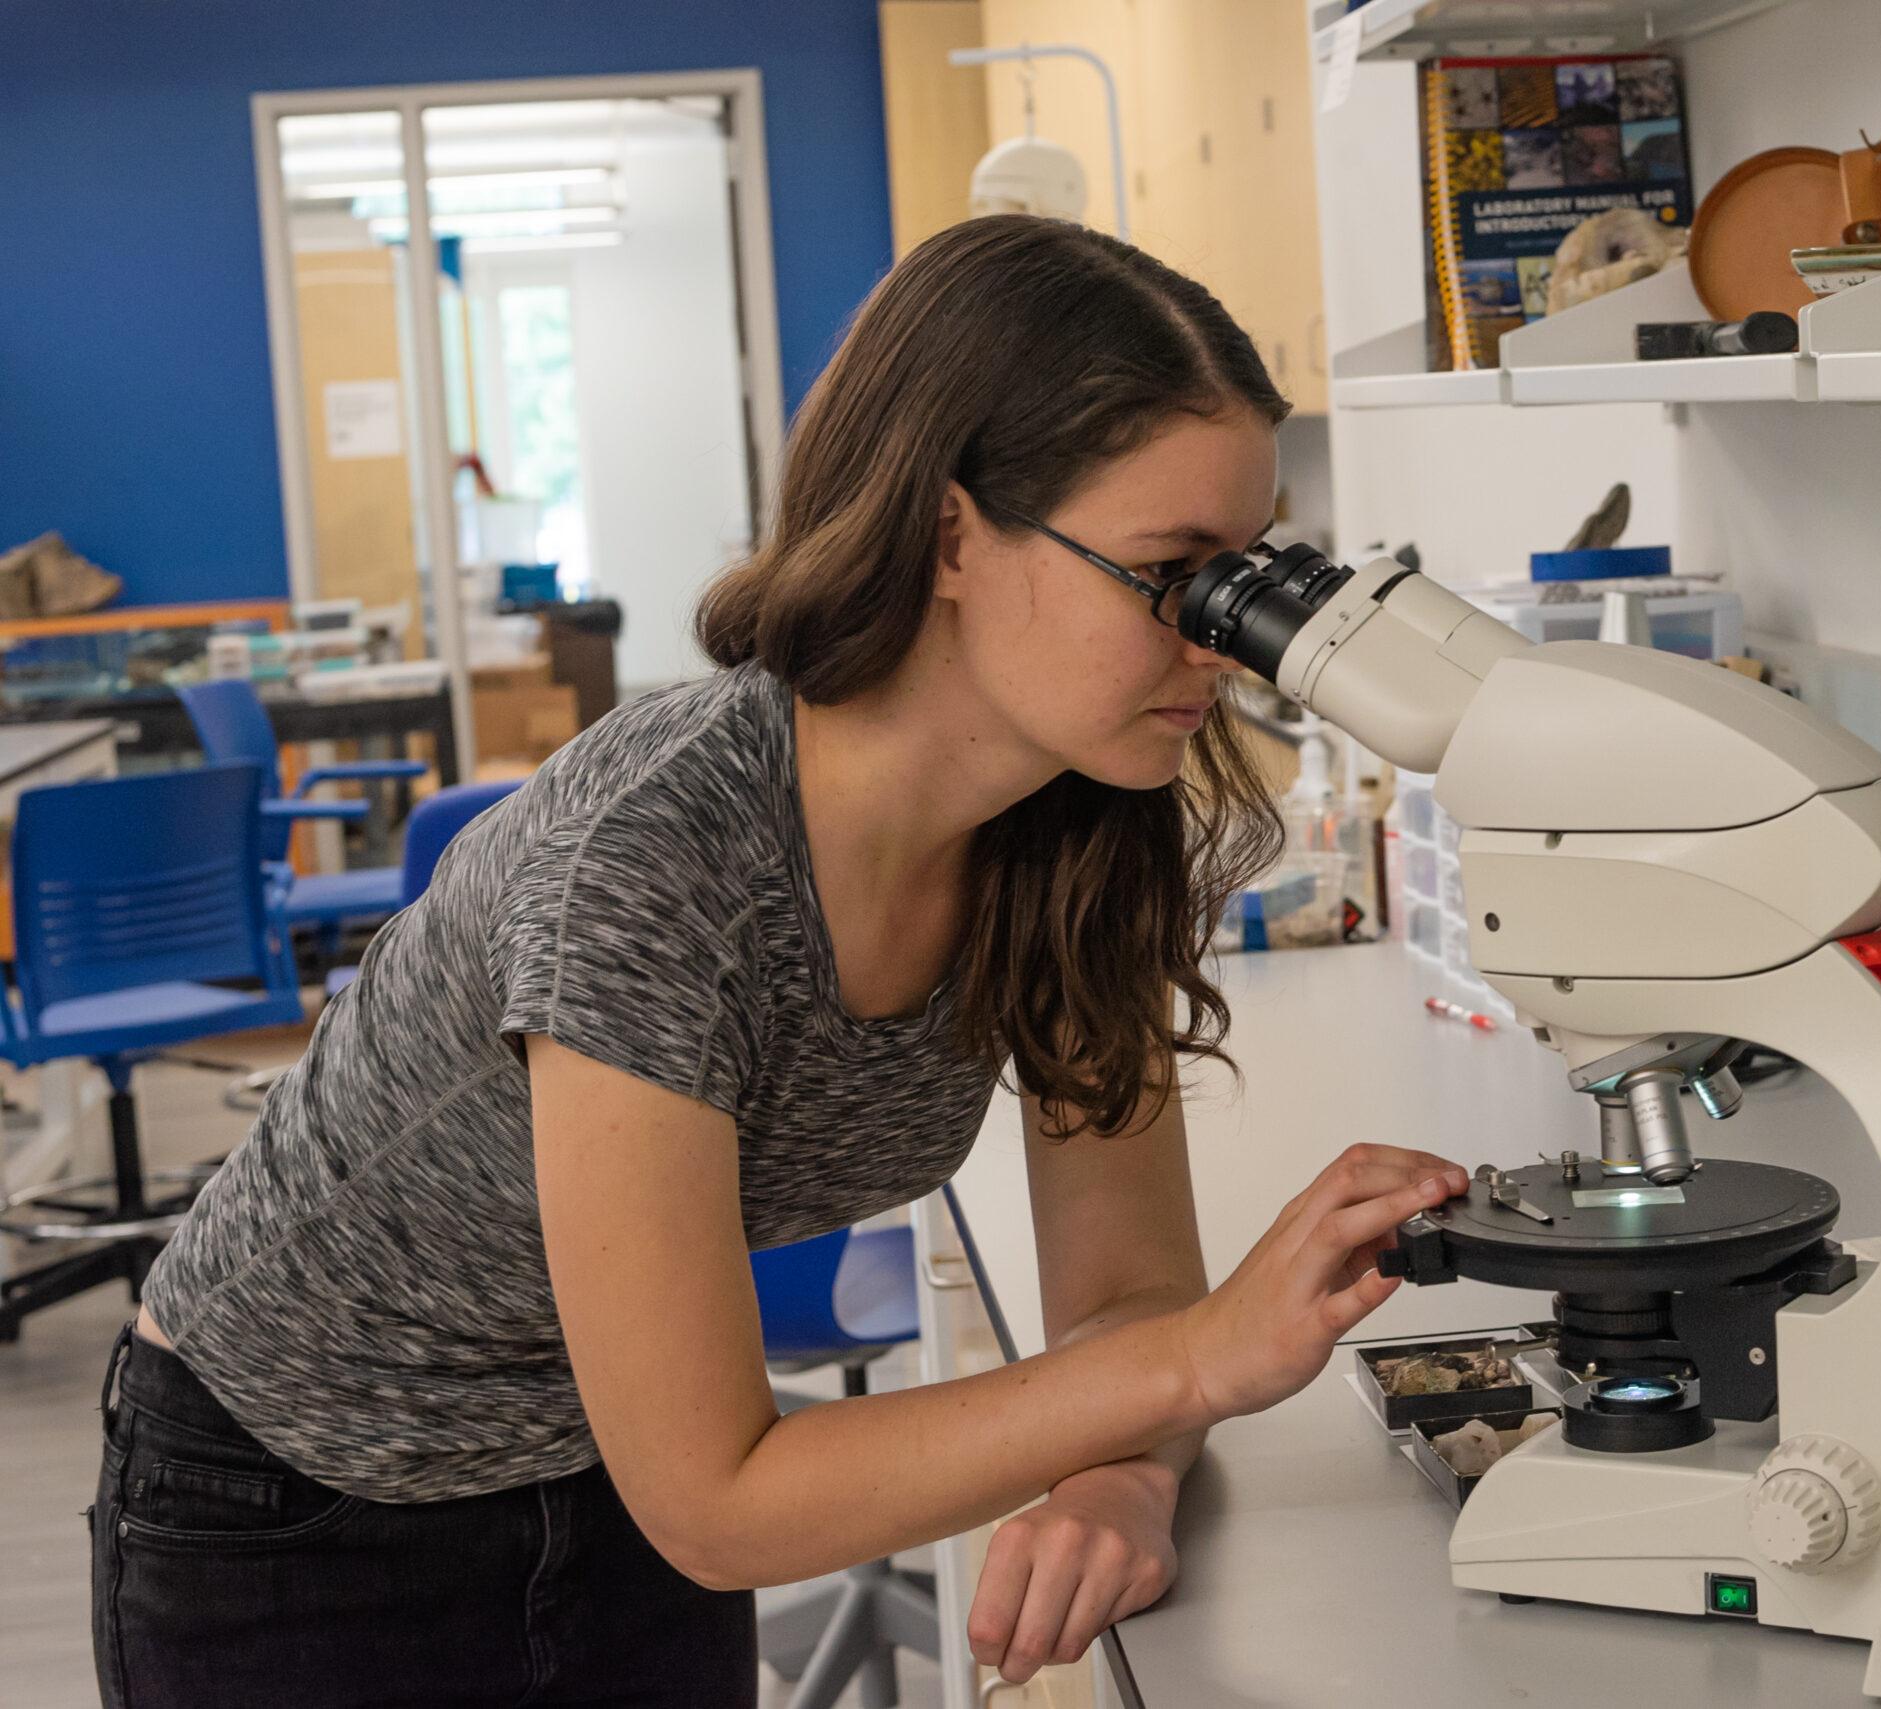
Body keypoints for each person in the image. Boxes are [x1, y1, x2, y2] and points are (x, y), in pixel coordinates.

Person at [92, 214, 1466, 1708]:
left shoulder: (1081, 821)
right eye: (1168, 572)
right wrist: (1201, 1363)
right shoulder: (658, 861)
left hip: (599, 1468)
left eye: (1242, 574)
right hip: (297, 1500)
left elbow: (1125, 1290)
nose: (1219, 643)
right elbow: (725, 1500)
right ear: (949, 536)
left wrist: (1120, 1481)